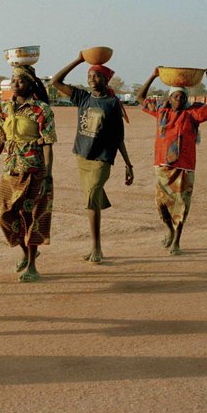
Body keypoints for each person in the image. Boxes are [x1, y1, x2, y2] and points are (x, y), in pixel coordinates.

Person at [52, 53, 134, 264]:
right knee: (93, 200)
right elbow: (56, 81)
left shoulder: (113, 103)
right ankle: (95, 247)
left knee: (91, 197)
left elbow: (118, 136)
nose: (92, 79)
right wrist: (79, 60)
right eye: (90, 76)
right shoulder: (83, 97)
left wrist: (128, 163)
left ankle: (96, 247)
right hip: (83, 157)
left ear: (106, 80)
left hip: (102, 159)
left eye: (97, 76)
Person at [136, 68, 207, 254]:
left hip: (184, 167)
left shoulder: (193, 114)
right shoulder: (161, 112)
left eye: (182, 97)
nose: (179, 100)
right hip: (162, 165)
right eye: (176, 96)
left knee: (181, 205)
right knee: (161, 205)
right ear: (170, 98)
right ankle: (169, 230)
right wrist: (152, 76)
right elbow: (140, 98)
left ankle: (177, 240)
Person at [0, 65, 57, 282]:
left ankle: (32, 266)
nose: (16, 85)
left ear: (31, 84)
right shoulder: (4, 108)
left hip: (34, 170)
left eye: (21, 81)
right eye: (13, 80)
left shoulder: (41, 109)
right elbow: (0, 137)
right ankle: (27, 254)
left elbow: (47, 144)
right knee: (4, 213)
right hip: (11, 170)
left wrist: (47, 174)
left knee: (32, 217)